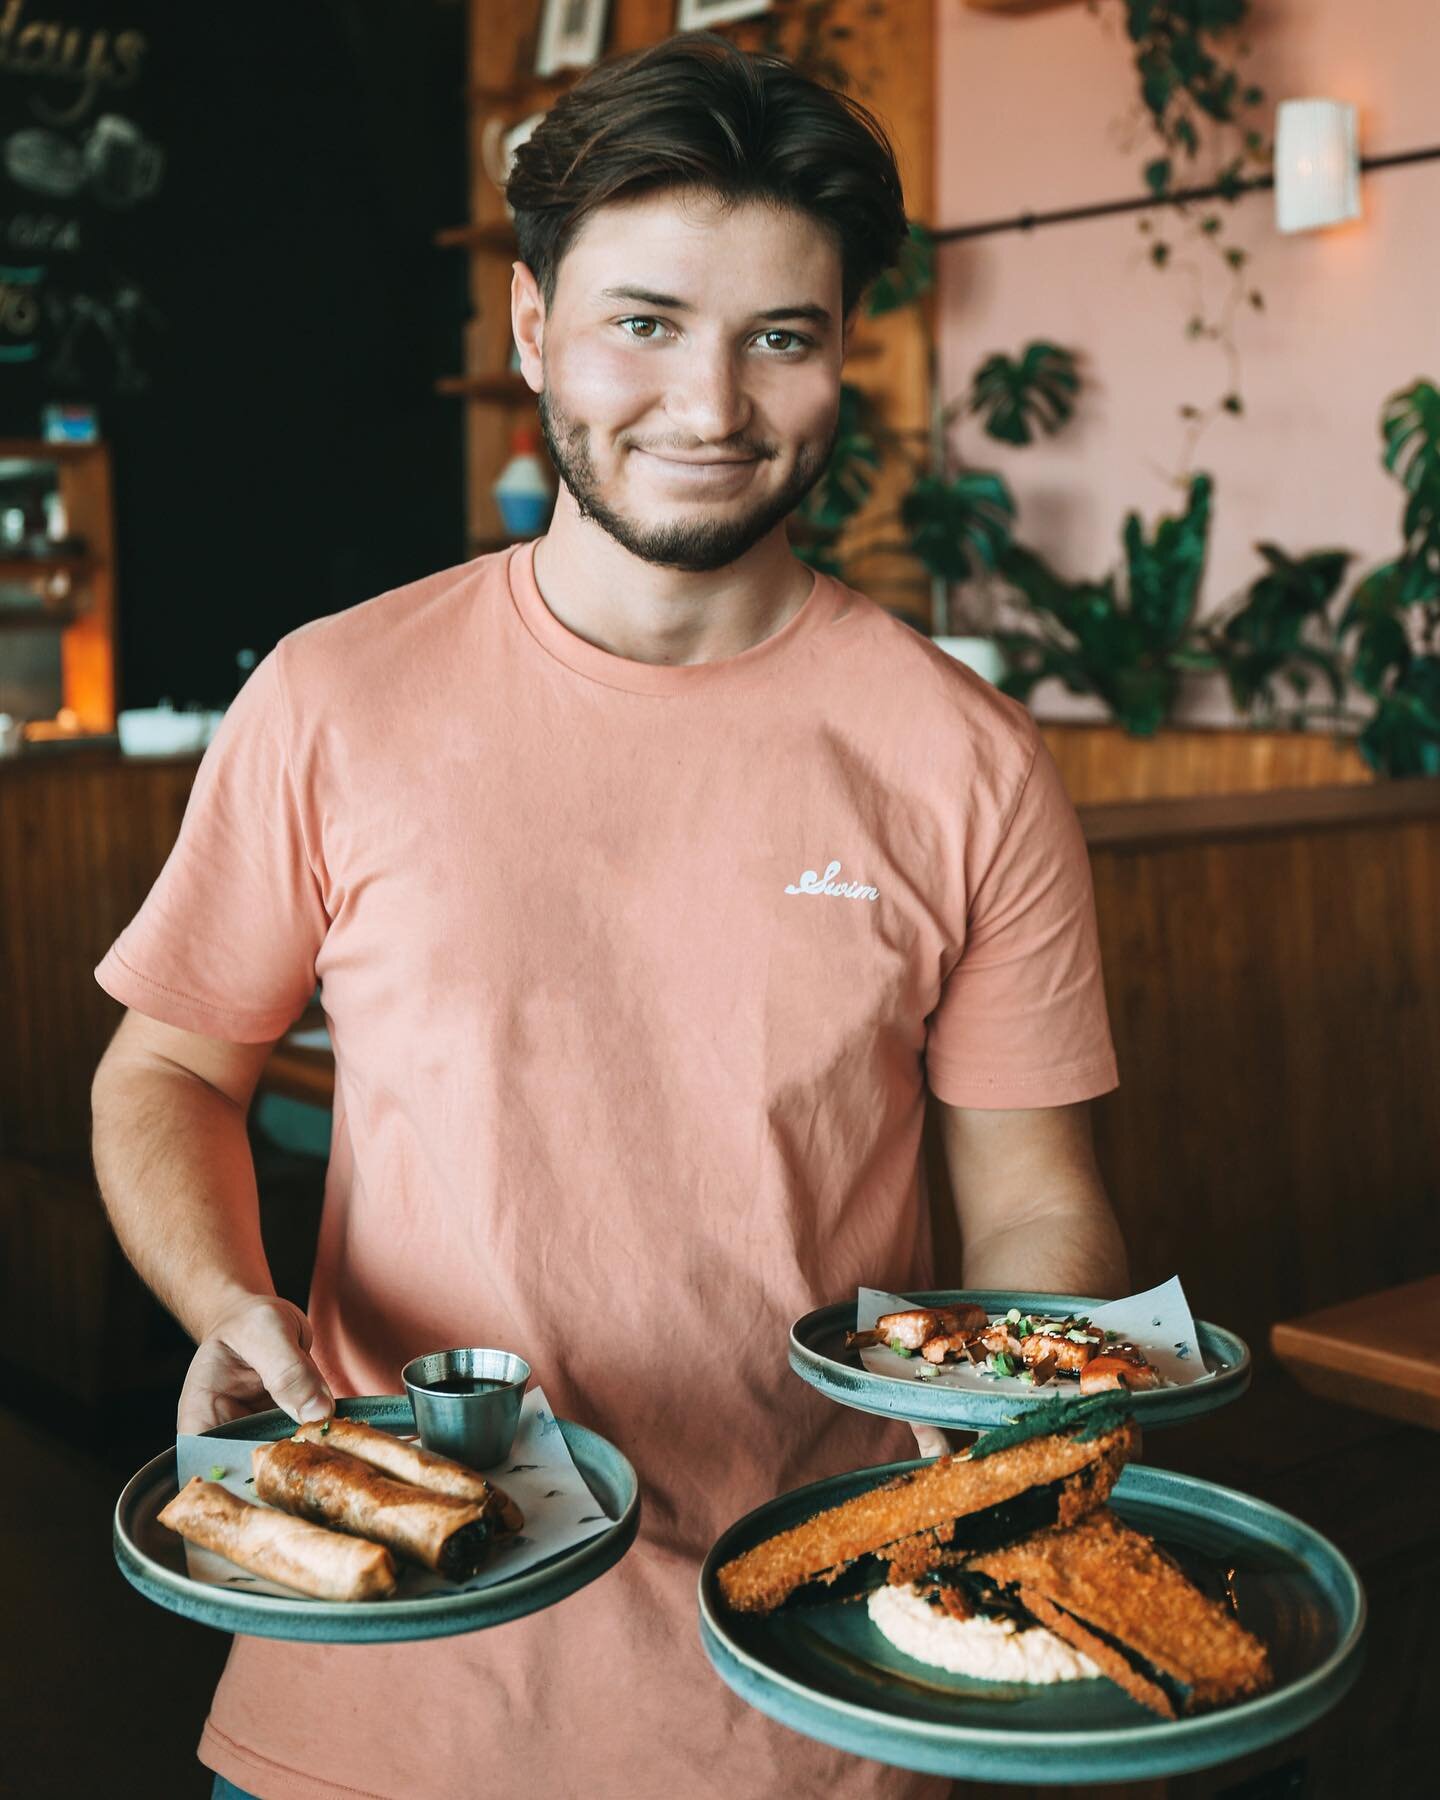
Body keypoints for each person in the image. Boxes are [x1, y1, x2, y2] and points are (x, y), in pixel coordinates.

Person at [92, 32, 1126, 1800]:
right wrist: (232, 1303)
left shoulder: (968, 761)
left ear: (843, 356)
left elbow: (1035, 1200)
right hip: (380, 1678)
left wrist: (1028, 1433)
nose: (710, 405)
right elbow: (169, 1067)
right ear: (529, 332)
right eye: (644, 322)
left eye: (778, 338)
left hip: (814, 1698)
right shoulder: (336, 700)